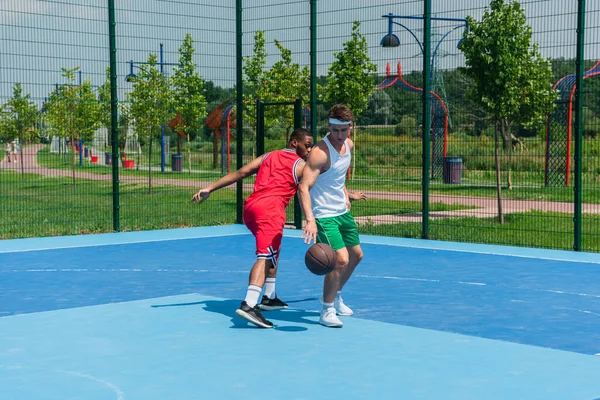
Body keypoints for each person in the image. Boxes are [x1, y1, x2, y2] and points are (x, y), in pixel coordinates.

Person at [191, 128, 313, 328]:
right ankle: (249, 304)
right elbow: (307, 189)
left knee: (273, 251)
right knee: (265, 257)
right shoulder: (301, 165)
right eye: (307, 145)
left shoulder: (269, 156)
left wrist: (210, 188)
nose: (309, 150)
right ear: (294, 143)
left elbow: (241, 172)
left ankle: (269, 297)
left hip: (251, 208)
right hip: (270, 211)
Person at [297, 104, 364, 328]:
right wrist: (310, 220)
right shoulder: (319, 152)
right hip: (324, 215)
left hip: (342, 212)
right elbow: (303, 187)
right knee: (341, 260)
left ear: (350, 128)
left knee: (356, 256)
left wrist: (346, 194)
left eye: (343, 130)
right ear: (329, 126)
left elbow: (338, 177)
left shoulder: (349, 145)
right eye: (335, 130)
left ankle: (335, 295)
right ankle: (327, 310)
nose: (339, 135)